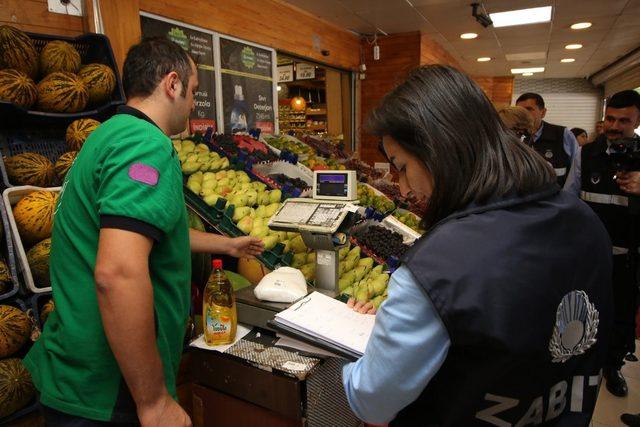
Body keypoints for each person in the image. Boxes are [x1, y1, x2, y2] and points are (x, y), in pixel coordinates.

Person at [343, 64, 613, 426]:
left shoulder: (435, 269)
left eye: (402, 166)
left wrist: (361, 357)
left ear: (438, 151)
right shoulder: (585, 222)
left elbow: (371, 399)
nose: (403, 189)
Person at [24, 37, 264, 426]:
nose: (192, 104)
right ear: (172, 84)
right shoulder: (144, 146)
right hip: (109, 390)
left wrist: (228, 245)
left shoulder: (106, 135)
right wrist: (153, 400)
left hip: (76, 378)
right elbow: (117, 272)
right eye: (193, 92)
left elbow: (146, 237)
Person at [579, 89, 640, 400]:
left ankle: (613, 366)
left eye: (624, 120)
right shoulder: (587, 154)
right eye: (610, 119)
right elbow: (570, 200)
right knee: (584, 311)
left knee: (621, 314)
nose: (615, 126)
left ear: (637, 121)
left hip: (626, 257)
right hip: (587, 256)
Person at [516, 92, 581, 195]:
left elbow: (577, 172)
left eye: (529, 110)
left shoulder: (562, 135)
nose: (523, 115)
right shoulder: (513, 137)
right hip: (523, 203)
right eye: (519, 111)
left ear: (543, 112)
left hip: (556, 203)